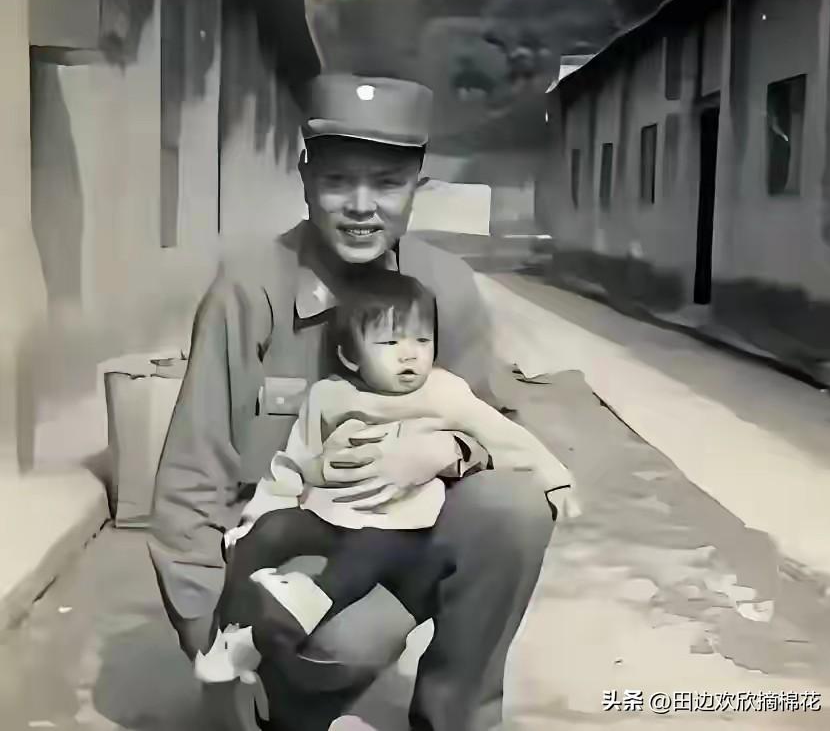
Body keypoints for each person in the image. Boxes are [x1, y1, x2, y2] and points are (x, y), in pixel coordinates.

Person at [149, 74, 564, 731]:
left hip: (400, 534)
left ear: (417, 189)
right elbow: (190, 480)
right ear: (306, 176)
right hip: (288, 553)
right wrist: (209, 641)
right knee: (332, 644)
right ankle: (283, 700)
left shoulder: (446, 289)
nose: (362, 206)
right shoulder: (249, 289)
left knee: (514, 510)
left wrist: (446, 448)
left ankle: (458, 718)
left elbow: (497, 435)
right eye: (340, 181)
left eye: (387, 183)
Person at [192, 272, 579, 690]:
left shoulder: (443, 393)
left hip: (398, 524)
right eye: (390, 343)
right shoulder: (330, 395)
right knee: (267, 532)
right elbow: (292, 462)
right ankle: (230, 632)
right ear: (352, 356)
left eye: (421, 341)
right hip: (329, 512)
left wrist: (554, 479)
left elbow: (501, 434)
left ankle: (305, 602)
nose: (409, 356)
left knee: (367, 553)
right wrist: (261, 515)